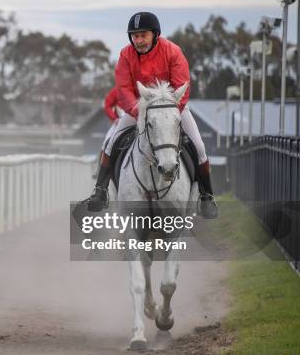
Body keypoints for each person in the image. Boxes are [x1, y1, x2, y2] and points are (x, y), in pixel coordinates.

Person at [86, 11, 218, 219]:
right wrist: (138, 110)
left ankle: (207, 196)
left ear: (155, 34)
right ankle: (100, 191)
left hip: (172, 108)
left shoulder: (173, 51)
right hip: (139, 108)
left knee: (199, 146)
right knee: (110, 143)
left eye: (143, 35)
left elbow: (182, 86)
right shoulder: (125, 55)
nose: (139, 40)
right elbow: (123, 88)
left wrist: (170, 109)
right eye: (135, 36)